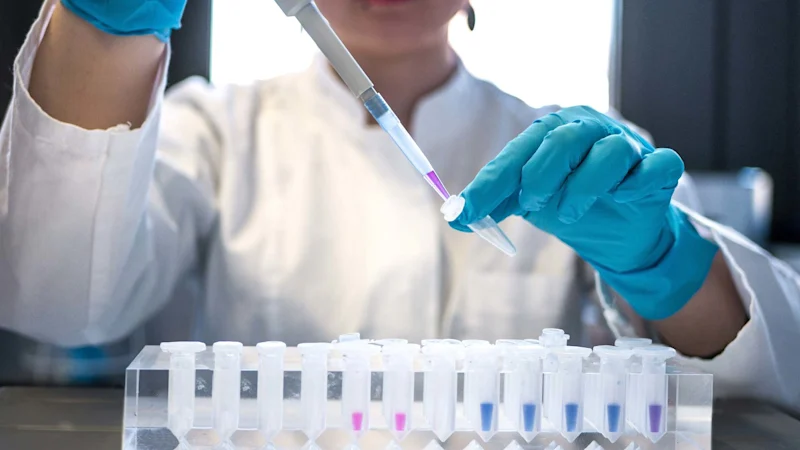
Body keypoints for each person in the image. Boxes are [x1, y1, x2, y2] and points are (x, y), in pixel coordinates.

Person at [0, 0, 797, 416]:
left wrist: (663, 263)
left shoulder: (577, 152)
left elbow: (767, 375)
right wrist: (101, 28)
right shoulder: (214, 130)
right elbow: (59, 300)